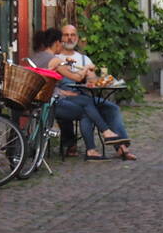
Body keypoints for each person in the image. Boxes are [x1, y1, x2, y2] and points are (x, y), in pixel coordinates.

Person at [47, 24, 136, 160]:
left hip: (83, 96)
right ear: (60, 38)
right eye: (66, 35)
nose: (70, 38)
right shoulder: (55, 58)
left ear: (77, 38)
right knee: (88, 109)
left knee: (112, 108)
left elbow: (93, 80)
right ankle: (91, 149)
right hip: (65, 98)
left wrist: (93, 76)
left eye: (73, 35)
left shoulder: (84, 59)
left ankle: (121, 146)